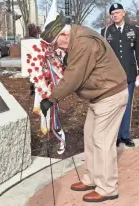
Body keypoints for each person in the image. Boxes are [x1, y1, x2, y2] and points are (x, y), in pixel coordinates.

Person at [40, 15, 128, 203]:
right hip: (99, 96)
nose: (57, 48)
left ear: (64, 34)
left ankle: (108, 188)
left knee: (102, 140)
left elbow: (73, 77)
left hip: (110, 95)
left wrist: (52, 99)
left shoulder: (83, 43)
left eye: (56, 44)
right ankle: (92, 179)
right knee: (90, 136)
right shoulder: (74, 39)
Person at [101, 3, 139, 147]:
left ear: (124, 13)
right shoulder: (105, 31)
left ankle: (126, 135)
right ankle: (116, 136)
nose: (115, 15)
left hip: (129, 74)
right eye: (113, 13)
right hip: (112, 76)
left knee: (126, 105)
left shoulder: (133, 30)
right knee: (114, 106)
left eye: (118, 12)